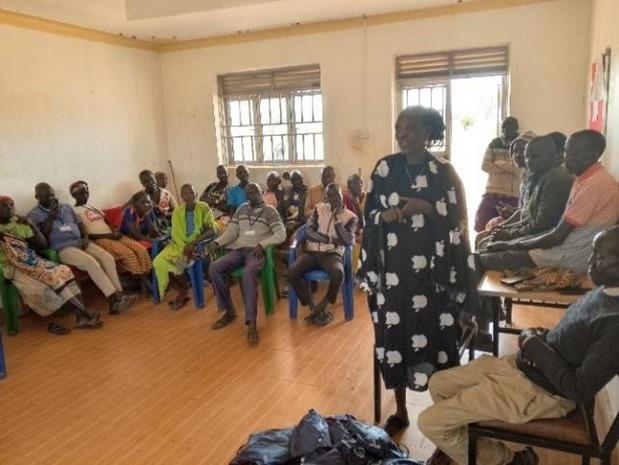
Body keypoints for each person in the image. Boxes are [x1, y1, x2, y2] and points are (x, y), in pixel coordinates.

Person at [418, 226, 619, 465]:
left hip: (543, 392)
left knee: (428, 422)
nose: (589, 261)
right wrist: (538, 336)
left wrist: (534, 344)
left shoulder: (614, 323)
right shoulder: (605, 292)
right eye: (592, 252)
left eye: (599, 257)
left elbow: (578, 389)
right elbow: (571, 337)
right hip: (527, 368)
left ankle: (510, 460)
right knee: (438, 383)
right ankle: (458, 445)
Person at [357, 106, 478, 437]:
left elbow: (459, 223)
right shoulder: (384, 168)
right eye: (399, 127)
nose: (402, 133)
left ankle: (446, 417)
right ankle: (400, 410)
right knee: (393, 338)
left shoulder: (444, 172)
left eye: (410, 128)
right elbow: (369, 215)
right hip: (393, 278)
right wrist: (385, 216)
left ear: (428, 132)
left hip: (433, 279)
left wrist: (427, 209)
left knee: (438, 340)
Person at [480, 130, 619, 276]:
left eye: (573, 154)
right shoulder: (584, 179)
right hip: (561, 248)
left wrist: (513, 243)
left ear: (593, 155)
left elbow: (556, 235)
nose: (566, 158)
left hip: (569, 257)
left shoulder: (593, 184)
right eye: (566, 151)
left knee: (481, 258)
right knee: (488, 249)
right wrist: (512, 239)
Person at [28, 183, 136, 314]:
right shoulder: (33, 215)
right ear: (37, 197)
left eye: (52, 195)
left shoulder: (66, 207)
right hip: (63, 247)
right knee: (91, 263)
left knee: (107, 258)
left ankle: (118, 295)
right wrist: (50, 217)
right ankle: (115, 299)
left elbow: (80, 224)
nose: (50, 199)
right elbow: (42, 240)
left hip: (80, 241)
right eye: (46, 197)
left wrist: (85, 237)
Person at [0, 196, 102, 333]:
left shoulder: (19, 223)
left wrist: (31, 225)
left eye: (12, 205)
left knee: (63, 271)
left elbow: (42, 245)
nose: (10, 208)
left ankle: (81, 316)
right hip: (11, 267)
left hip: (32, 261)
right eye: (5, 206)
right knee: (47, 281)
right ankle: (85, 313)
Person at [208, 183, 286, 345]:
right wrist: (217, 242)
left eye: (255, 192)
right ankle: (229, 311)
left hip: (256, 252)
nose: (252, 195)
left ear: (261, 193)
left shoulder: (270, 211)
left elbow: (281, 234)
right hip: (238, 250)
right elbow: (231, 232)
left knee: (248, 273)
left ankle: (252, 323)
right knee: (214, 267)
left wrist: (263, 245)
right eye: (249, 193)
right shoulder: (242, 209)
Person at [477, 136, 574, 248]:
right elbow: (527, 213)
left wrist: (509, 233)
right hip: (531, 230)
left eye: (535, 156)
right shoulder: (533, 177)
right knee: (484, 237)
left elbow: (541, 223)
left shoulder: (555, 179)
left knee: (485, 244)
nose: (529, 161)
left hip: (542, 236)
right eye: (527, 156)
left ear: (554, 156)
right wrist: (505, 227)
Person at [287, 183, 357, 326]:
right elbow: (309, 232)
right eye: (329, 195)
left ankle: (324, 304)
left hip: (332, 254)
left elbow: (347, 240)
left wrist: (337, 219)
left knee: (338, 273)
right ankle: (312, 305)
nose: (332, 198)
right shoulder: (318, 209)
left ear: (341, 196)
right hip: (312, 252)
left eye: (336, 195)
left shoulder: (351, 217)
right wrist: (329, 239)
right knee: (291, 272)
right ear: (325, 197)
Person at [70, 181, 152, 289]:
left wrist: (115, 232)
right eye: (81, 193)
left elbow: (106, 222)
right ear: (74, 195)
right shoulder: (74, 211)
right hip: (100, 239)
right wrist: (106, 236)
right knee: (128, 254)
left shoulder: (93, 207)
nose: (85, 195)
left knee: (140, 249)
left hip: (113, 235)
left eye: (86, 192)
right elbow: (83, 233)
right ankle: (145, 284)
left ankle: (148, 279)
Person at [152, 184, 218, 310]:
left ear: (195, 194)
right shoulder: (177, 212)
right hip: (179, 245)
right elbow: (176, 234)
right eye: (185, 194)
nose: (188, 196)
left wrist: (193, 243)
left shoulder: (203, 208)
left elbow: (212, 230)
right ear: (181, 196)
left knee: (180, 264)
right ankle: (183, 288)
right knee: (158, 262)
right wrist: (184, 247)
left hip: (198, 246)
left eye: (190, 193)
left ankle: (183, 292)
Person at [475, 117, 522, 232]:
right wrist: (508, 166)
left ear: (516, 129)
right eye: (503, 128)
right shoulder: (494, 143)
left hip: (513, 196)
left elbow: (518, 168)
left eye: (509, 128)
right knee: (481, 225)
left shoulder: (520, 144)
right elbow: (485, 166)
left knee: (507, 229)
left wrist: (497, 163)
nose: (505, 130)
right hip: (491, 192)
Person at [343, 174, 366, 271]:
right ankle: (353, 273)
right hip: (349, 233)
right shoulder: (345, 199)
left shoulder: (368, 197)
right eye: (355, 184)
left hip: (363, 231)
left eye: (360, 183)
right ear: (348, 187)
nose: (359, 186)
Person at [283, 170, 308, 235]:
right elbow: (285, 206)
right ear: (291, 181)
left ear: (302, 179)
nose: (297, 181)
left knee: (292, 226)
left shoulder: (307, 191)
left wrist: (293, 219)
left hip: (300, 218)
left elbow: (303, 208)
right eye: (294, 179)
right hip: (290, 218)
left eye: (299, 178)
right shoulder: (290, 190)